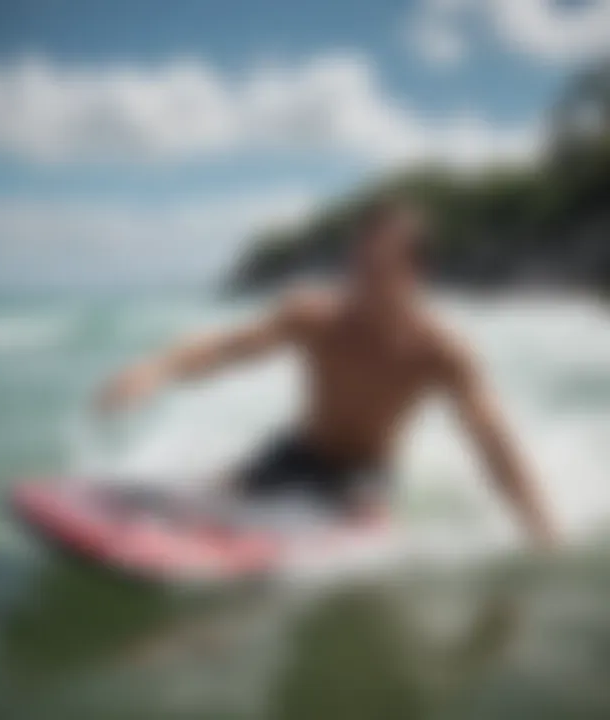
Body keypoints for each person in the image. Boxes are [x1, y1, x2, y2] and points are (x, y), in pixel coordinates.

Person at [96, 197, 555, 546]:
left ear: (416, 273)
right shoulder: (315, 317)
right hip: (300, 450)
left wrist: (538, 524)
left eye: (379, 269)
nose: (362, 282)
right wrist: (154, 369)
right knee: (212, 501)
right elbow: (228, 346)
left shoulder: (440, 351)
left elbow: (491, 437)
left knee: (365, 526)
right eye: (358, 265)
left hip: (367, 472)